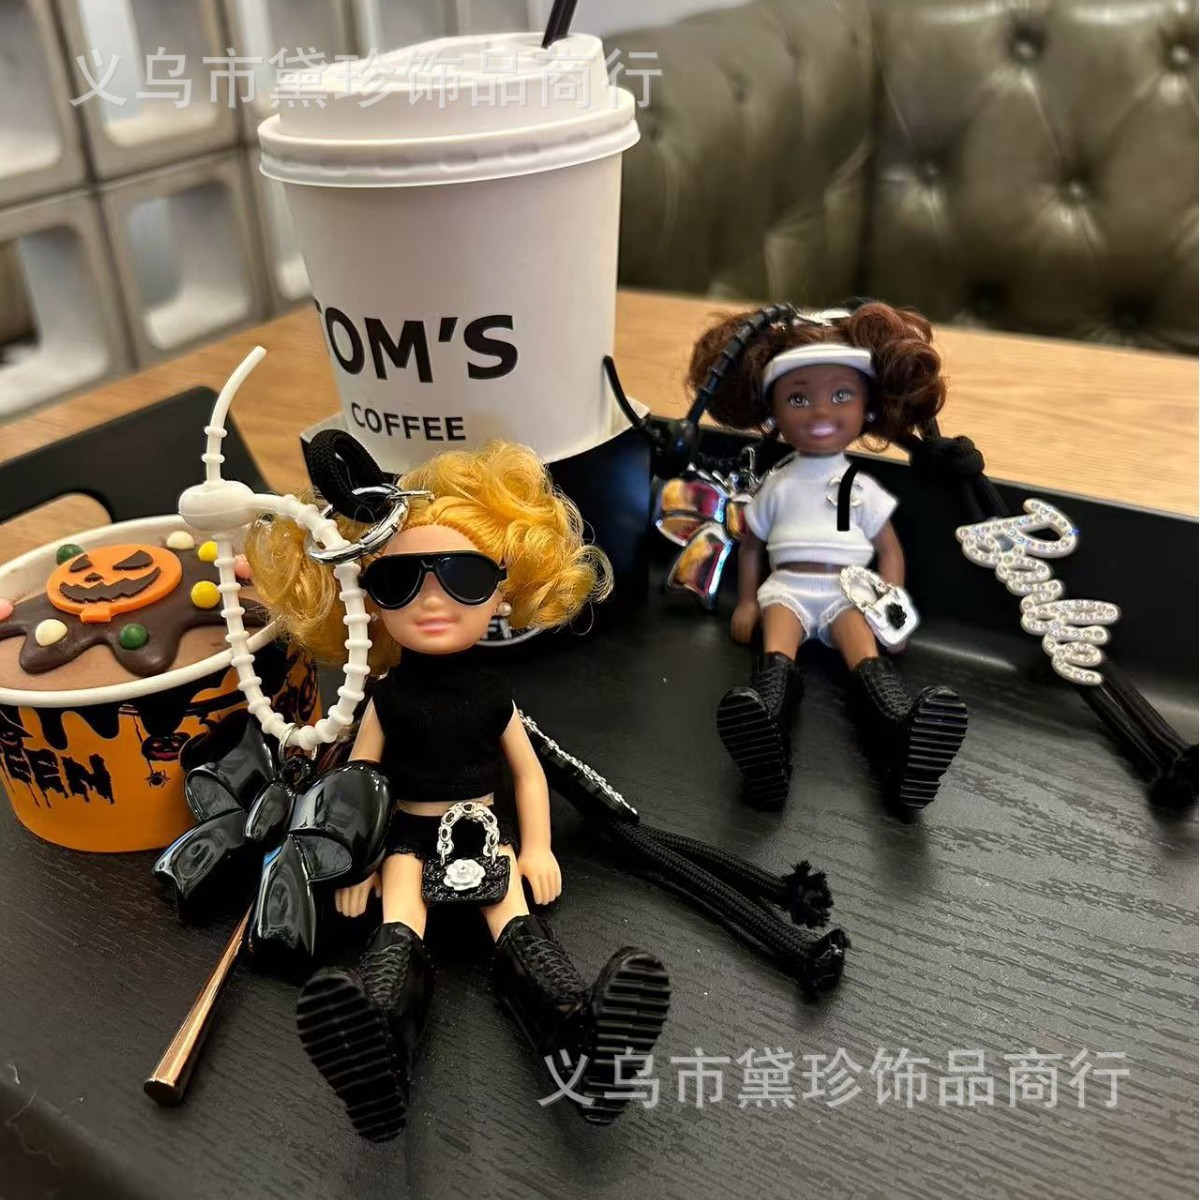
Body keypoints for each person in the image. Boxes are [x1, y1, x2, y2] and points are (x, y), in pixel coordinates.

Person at [246, 440, 670, 1141]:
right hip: (406, 838)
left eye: (466, 577)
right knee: (399, 920)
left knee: (513, 918)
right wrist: (358, 864)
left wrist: (537, 847)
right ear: (368, 600)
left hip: (483, 832)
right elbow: (360, 786)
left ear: (504, 589)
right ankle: (379, 1042)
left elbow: (528, 772)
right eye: (397, 582)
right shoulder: (386, 699)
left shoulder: (494, 693)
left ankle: (580, 1033)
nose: (433, 599)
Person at [686, 303, 968, 811]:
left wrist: (892, 608)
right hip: (788, 586)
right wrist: (746, 602)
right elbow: (752, 545)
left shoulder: (860, 485)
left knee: (863, 649)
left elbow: (889, 550)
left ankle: (904, 731)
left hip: (849, 588)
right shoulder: (778, 482)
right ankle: (764, 733)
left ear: (867, 408)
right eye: (799, 398)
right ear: (773, 412)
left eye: (841, 395)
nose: (820, 412)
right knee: (778, 643)